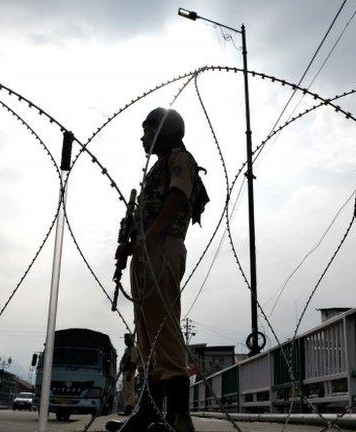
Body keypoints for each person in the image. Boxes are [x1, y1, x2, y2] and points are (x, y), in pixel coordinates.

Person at [108, 107, 208, 432]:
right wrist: (131, 245)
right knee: (147, 337)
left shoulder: (180, 158)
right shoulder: (155, 170)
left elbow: (177, 198)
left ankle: (180, 418)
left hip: (162, 250)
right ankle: (149, 413)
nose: (143, 136)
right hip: (146, 254)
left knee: (164, 330)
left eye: (148, 130)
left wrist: (146, 241)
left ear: (163, 132)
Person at [119, 333, 138, 415]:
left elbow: (133, 363)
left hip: (129, 371)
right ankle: (128, 406)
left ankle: (129, 408)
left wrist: (130, 373)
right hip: (125, 371)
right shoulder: (127, 350)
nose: (125, 341)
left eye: (127, 339)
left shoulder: (133, 349)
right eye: (124, 339)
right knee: (126, 390)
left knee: (130, 390)